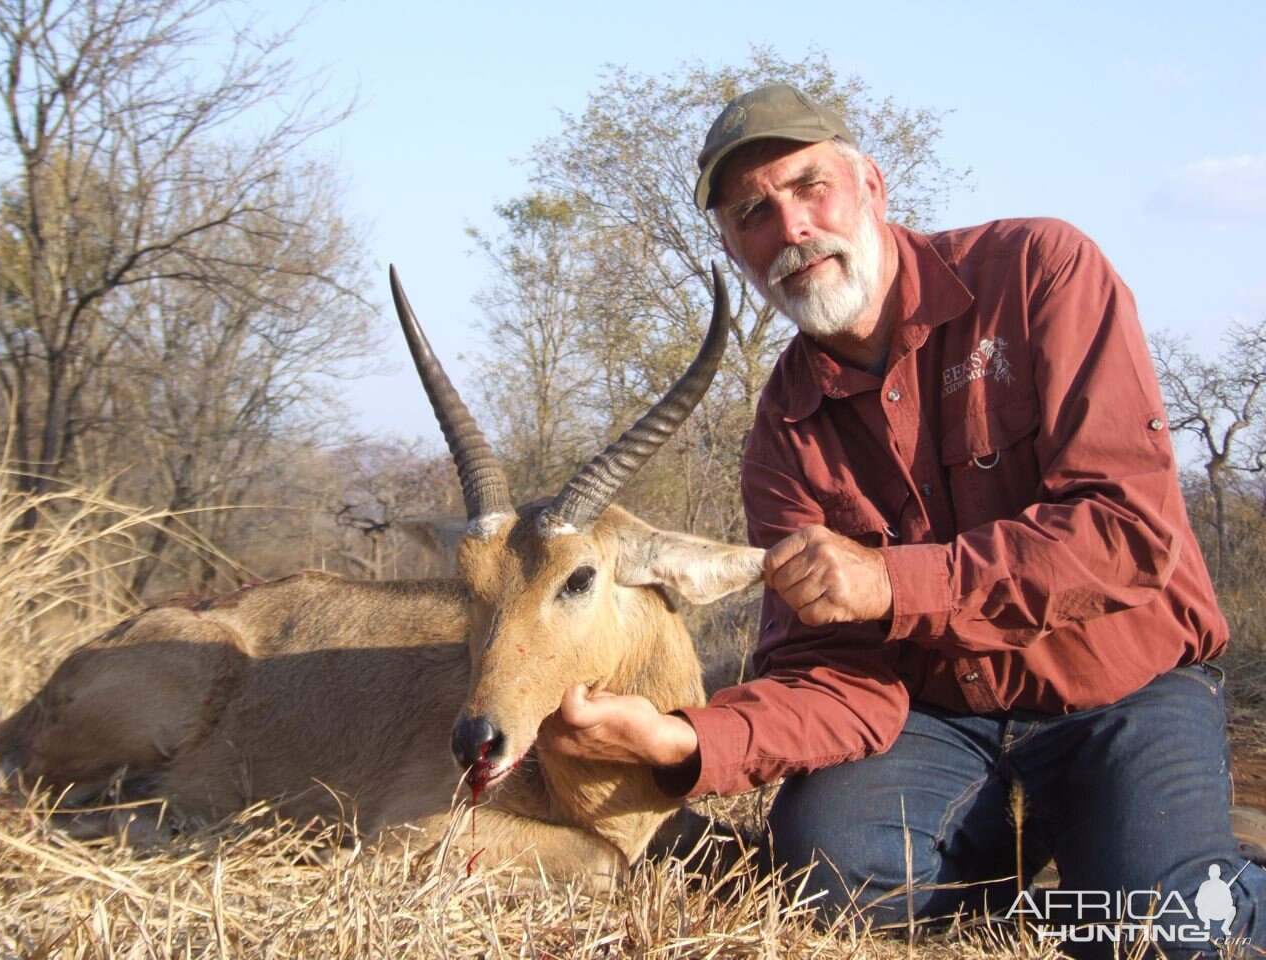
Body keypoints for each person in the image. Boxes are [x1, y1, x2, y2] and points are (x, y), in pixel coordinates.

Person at [538, 82, 1265, 956]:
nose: (792, 228)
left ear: (872, 186)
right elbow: (828, 671)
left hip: (1125, 687)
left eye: (810, 186)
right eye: (753, 215)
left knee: (1170, 930)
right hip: (941, 718)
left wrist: (893, 581)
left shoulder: (1041, 270)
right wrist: (681, 737)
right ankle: (1076, 887)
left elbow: (1126, 533)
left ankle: (1171, 877)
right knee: (820, 876)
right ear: (735, 254)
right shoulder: (783, 428)